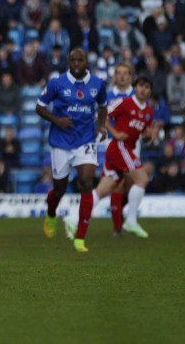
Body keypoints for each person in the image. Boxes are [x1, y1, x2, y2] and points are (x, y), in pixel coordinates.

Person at [64, 76, 154, 243]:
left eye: (147, 87)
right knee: (142, 178)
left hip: (126, 149)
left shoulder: (148, 112)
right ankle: (131, 221)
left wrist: (149, 137)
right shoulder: (124, 102)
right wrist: (115, 133)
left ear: (149, 91)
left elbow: (144, 136)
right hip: (119, 147)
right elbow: (102, 114)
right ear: (135, 87)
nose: (143, 89)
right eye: (141, 85)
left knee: (102, 190)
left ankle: (72, 218)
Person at [36, 48, 107, 253]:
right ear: (68, 62)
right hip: (60, 142)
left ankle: (80, 237)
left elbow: (103, 107)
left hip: (85, 140)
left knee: (86, 182)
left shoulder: (97, 84)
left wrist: (101, 126)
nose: (77, 64)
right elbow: (39, 107)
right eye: (73, 60)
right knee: (59, 189)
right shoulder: (57, 83)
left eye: (80, 60)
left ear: (87, 62)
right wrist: (57, 120)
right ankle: (51, 214)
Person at [104, 63, 135, 234]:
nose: (122, 76)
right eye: (119, 73)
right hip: (114, 144)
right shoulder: (108, 96)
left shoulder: (135, 96)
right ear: (115, 76)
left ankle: (121, 216)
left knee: (132, 186)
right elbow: (101, 118)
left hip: (132, 145)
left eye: (125, 73)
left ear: (130, 76)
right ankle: (118, 228)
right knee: (118, 184)